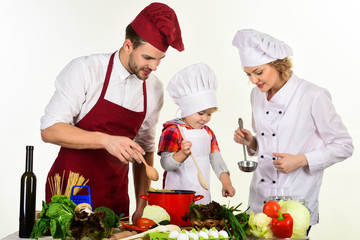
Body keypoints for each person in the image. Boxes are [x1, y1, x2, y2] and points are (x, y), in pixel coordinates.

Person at [40, 2, 184, 222]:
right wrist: (106, 140)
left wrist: (142, 205)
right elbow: (50, 130)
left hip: (114, 200)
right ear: (128, 45)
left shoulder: (153, 89)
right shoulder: (86, 70)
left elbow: (144, 150)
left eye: (159, 60)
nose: (154, 66)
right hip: (68, 198)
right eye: (147, 58)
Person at [232, 29, 353, 231]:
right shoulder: (257, 95)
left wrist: (301, 160)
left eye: (258, 72)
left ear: (278, 65)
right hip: (259, 200)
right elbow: (269, 142)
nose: (253, 80)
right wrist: (251, 142)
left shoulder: (313, 95)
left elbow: (344, 145)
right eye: (248, 74)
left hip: (294, 202)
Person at [158, 63, 236, 204]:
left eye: (209, 114)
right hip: (176, 195)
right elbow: (165, 164)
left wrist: (226, 183)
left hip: (202, 194)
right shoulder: (172, 130)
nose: (205, 119)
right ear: (187, 109)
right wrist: (182, 154)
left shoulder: (207, 132)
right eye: (201, 113)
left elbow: (216, 160)